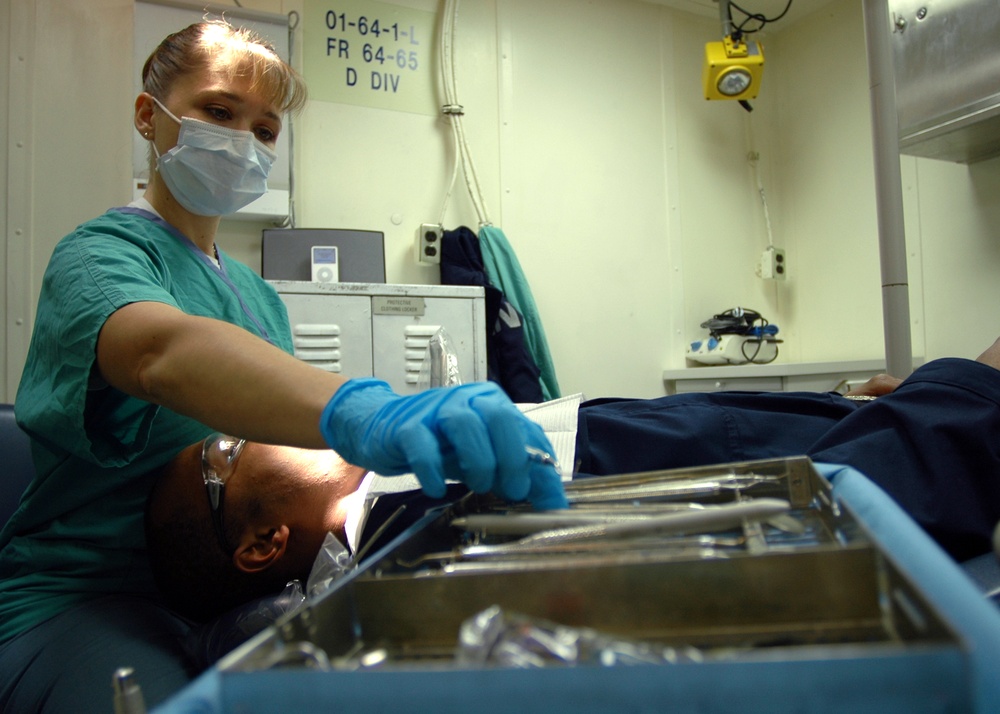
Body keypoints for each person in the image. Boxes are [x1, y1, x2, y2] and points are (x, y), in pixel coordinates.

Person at [0, 20, 565, 714]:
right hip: (94, 594)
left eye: (265, 129)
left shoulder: (257, 296)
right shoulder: (102, 255)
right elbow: (160, 353)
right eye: (217, 111)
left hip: (237, 592)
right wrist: (367, 409)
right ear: (150, 117)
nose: (242, 141)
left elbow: (277, 457)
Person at [148, 337, 1000, 638]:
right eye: (225, 450)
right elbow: (828, 509)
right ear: (261, 545)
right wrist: (956, 398)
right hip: (741, 474)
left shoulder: (397, 477)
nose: (250, 426)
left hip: (693, 435)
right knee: (955, 415)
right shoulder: (394, 544)